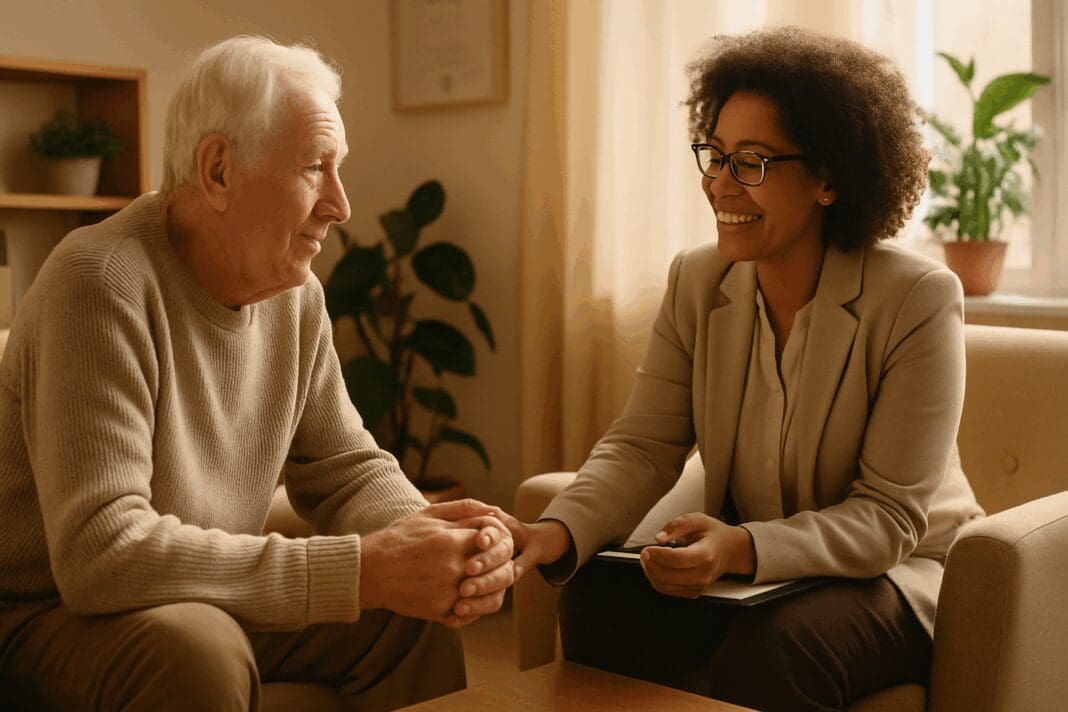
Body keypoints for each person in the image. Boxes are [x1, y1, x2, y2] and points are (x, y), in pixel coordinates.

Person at [0, 36, 514, 711]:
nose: (341, 204)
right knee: (198, 647)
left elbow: (347, 469)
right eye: (316, 168)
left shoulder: (294, 298)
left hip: (195, 594)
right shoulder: (101, 282)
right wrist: (360, 570)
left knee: (412, 613)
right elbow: (103, 552)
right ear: (218, 171)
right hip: (44, 616)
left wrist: (440, 547)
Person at [504, 26, 985, 711]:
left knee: (781, 645)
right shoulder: (697, 282)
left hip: (899, 574)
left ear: (828, 179)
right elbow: (643, 444)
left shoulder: (917, 297)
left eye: (751, 162)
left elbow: (888, 518)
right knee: (596, 596)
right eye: (716, 155)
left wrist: (740, 548)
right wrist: (552, 533)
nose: (718, 183)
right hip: (761, 571)